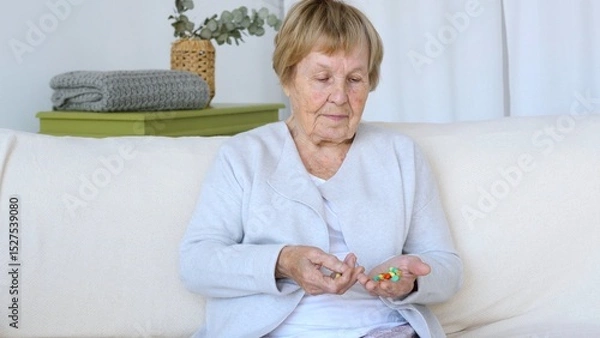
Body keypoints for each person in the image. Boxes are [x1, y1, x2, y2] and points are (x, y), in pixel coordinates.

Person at [179, 0, 463, 337]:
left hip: (384, 330)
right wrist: (283, 262)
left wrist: (411, 280)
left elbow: (446, 266)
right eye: (323, 78)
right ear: (288, 78)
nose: (340, 96)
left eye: (355, 79)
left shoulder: (401, 155)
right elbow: (196, 263)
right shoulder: (243, 156)